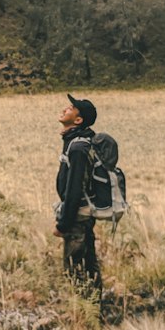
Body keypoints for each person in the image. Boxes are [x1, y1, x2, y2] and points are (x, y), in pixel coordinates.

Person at [54, 93, 102, 301]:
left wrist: (63, 223)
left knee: (76, 270)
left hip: (77, 219)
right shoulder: (77, 143)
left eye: (71, 108)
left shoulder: (78, 148)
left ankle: (87, 314)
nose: (65, 108)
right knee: (88, 265)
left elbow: (75, 189)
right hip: (83, 215)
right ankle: (95, 310)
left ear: (78, 120)